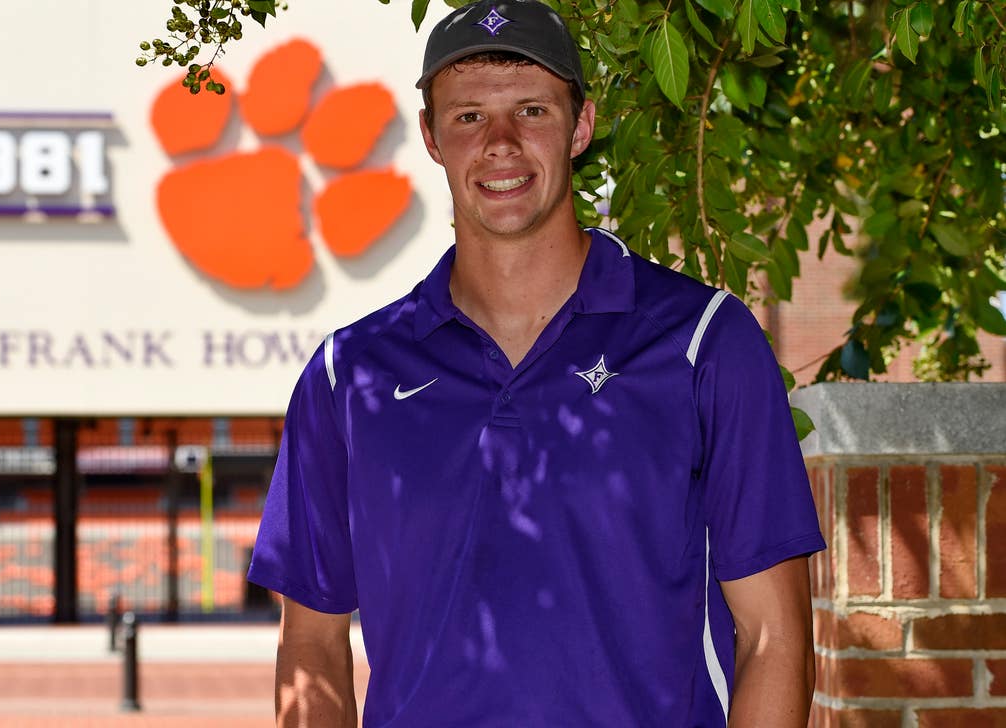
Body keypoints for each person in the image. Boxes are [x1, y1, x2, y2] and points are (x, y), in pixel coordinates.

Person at [247, 0, 826, 724]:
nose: (500, 143)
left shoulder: (702, 341)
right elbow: (311, 644)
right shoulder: (350, 375)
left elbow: (775, 640)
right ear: (430, 136)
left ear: (581, 126)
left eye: (531, 111)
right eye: (468, 117)